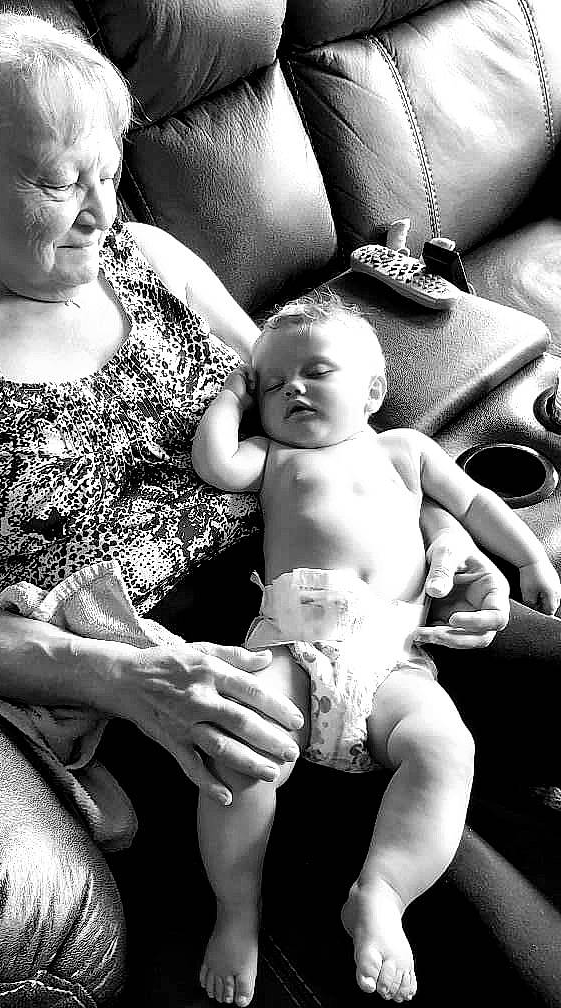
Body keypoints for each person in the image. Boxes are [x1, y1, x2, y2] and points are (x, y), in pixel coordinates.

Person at [0, 7, 520, 1003]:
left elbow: (323, 425)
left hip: (357, 603)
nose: (98, 214)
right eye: (59, 183)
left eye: (108, 173)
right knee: (468, 923)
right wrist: (125, 679)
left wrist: (444, 533)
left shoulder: (153, 261)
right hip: (182, 689)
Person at [191, 293, 561, 1005]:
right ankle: (236, 912)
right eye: (274, 384)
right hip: (295, 642)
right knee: (238, 751)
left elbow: (477, 504)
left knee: (445, 748)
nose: (292, 389)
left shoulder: (406, 451)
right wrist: (232, 396)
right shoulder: (273, 456)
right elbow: (216, 463)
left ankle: (382, 893)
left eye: (316, 371)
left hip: (395, 655)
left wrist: (528, 560)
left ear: (373, 391)